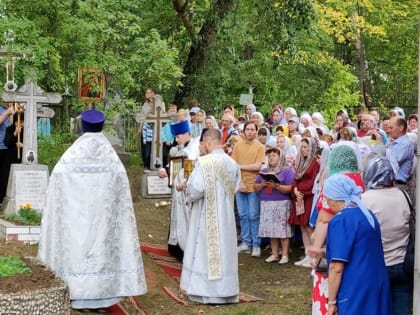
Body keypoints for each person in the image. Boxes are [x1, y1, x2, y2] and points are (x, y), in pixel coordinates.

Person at [38, 109, 147, 309]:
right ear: (102, 126)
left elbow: (57, 184)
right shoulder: (112, 159)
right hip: (102, 221)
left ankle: (77, 293)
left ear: (83, 126)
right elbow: (121, 194)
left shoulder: (70, 157)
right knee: (101, 251)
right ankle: (105, 296)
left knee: (77, 251)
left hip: (76, 217)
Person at [180, 128, 241, 304]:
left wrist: (187, 191)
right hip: (227, 217)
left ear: (207, 141)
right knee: (225, 251)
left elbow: (197, 188)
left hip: (207, 215)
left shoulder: (205, 162)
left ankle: (206, 291)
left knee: (206, 251)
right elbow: (236, 186)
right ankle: (227, 291)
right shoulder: (232, 163)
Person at [323, 174, 391, 315]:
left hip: (355, 287)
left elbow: (336, 266)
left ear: (334, 199)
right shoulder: (368, 215)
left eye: (327, 197)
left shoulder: (342, 220)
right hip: (377, 283)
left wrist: (331, 302)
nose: (326, 202)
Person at [362, 157, 412, 315]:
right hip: (403, 262)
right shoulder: (403, 195)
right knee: (401, 307)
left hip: (378, 264)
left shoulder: (366, 199)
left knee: (376, 308)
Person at [158, 119, 200, 260]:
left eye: (179, 136)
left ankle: (187, 250)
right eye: (175, 137)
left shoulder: (192, 150)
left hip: (187, 191)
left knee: (187, 219)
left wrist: (184, 184)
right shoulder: (182, 150)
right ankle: (176, 247)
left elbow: (189, 172)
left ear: (187, 133)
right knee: (178, 217)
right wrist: (165, 170)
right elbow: (175, 167)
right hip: (178, 191)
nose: (177, 140)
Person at [232, 121, 266, 257]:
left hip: (254, 185)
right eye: (248, 129)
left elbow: (258, 166)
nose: (250, 132)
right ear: (244, 131)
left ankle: (256, 244)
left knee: (253, 215)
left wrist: (241, 166)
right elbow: (233, 166)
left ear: (256, 131)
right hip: (240, 185)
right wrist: (240, 182)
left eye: (253, 129)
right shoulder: (238, 146)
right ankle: (246, 242)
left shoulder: (260, 147)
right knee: (243, 215)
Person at [255, 148, 294, 264]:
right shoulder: (265, 171)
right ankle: (275, 254)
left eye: (274, 156)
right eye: (270, 156)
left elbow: (290, 188)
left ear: (280, 157)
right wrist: (263, 184)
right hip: (266, 202)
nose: (271, 158)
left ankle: (285, 254)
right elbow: (255, 186)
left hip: (281, 202)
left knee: (282, 230)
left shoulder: (286, 171)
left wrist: (276, 186)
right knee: (271, 230)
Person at [288, 137, 320, 267]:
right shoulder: (302, 162)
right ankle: (307, 255)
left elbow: (313, 181)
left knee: (308, 226)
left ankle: (314, 255)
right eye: (301, 147)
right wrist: (295, 190)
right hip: (299, 197)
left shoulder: (315, 163)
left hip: (308, 198)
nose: (303, 149)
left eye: (306, 147)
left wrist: (300, 190)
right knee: (302, 227)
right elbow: (296, 178)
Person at [0, 103, 14, 203]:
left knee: (6, 174)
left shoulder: (17, 109)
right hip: (0, 145)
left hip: (11, 147)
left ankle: (3, 198)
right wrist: (6, 113)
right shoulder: (1, 110)